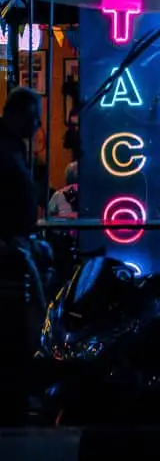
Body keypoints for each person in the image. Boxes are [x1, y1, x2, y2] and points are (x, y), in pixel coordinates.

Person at [0, 87, 42, 425]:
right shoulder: (5, 152)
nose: (39, 125)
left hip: (16, 250)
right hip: (9, 254)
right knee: (13, 329)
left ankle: (15, 398)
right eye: (34, 118)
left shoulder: (11, 149)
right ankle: (11, 401)